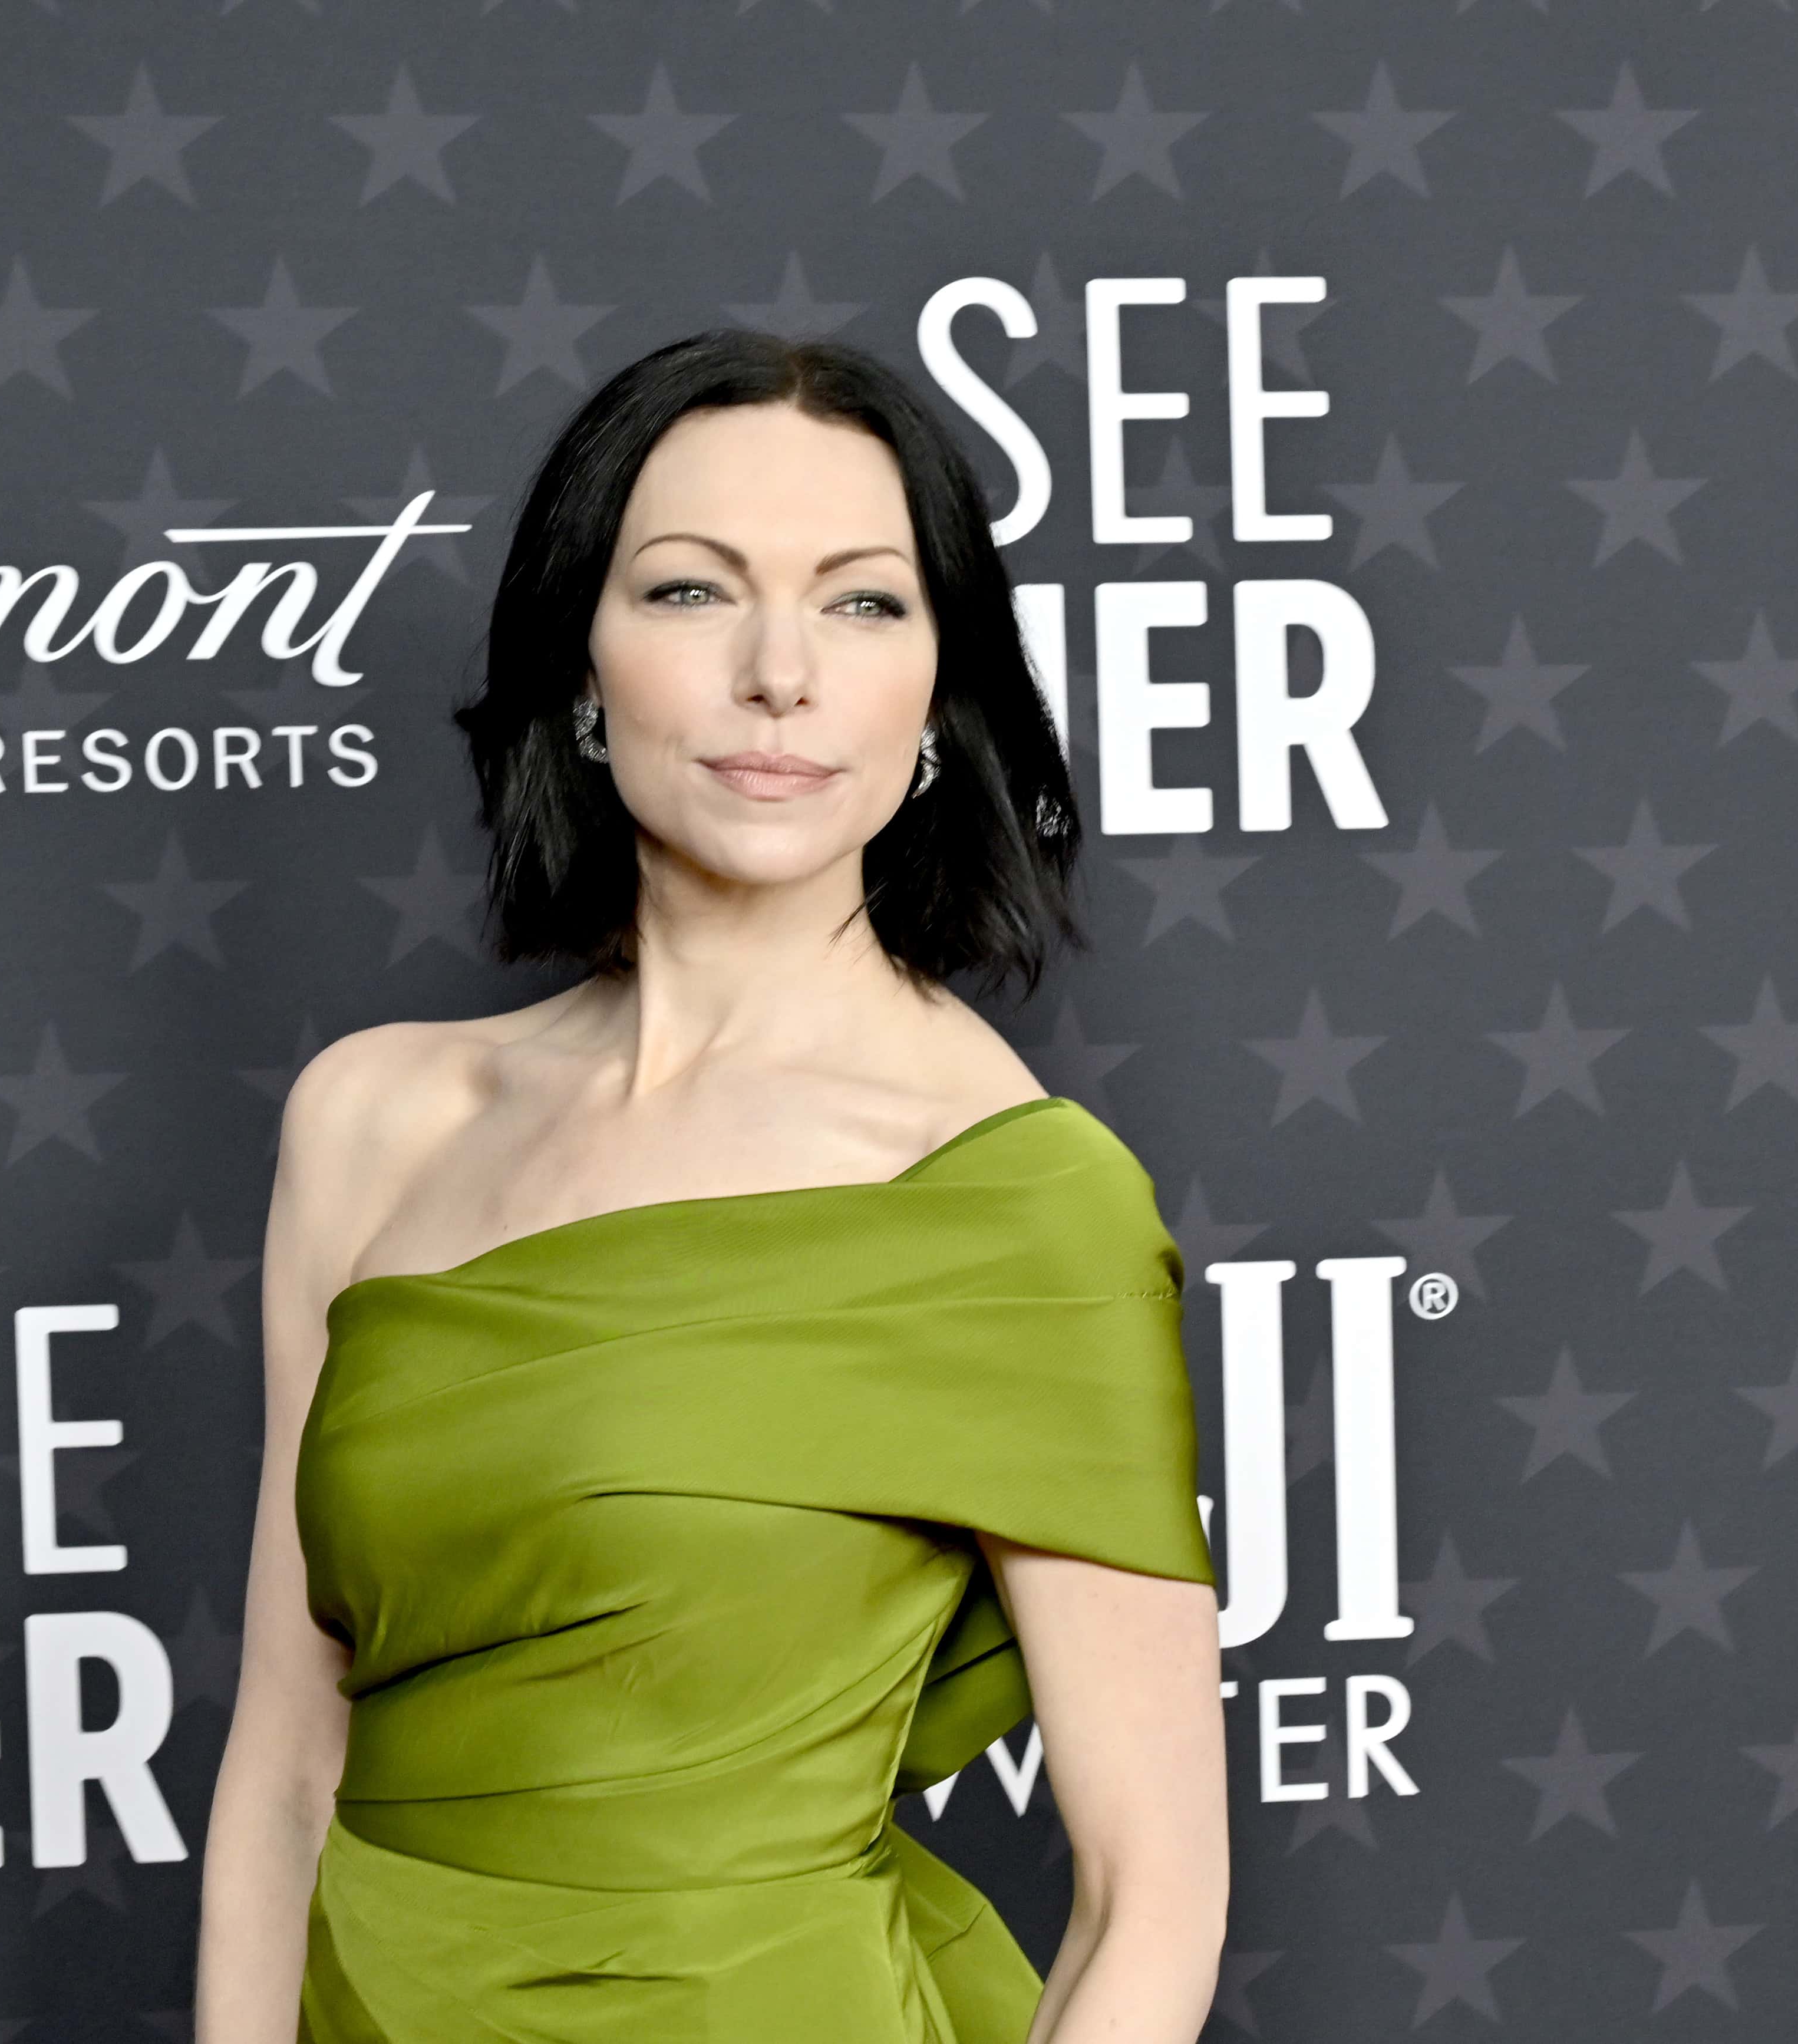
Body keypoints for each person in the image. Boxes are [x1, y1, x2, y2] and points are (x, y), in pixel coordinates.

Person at [192, 329, 1229, 2042]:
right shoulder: (374, 1118)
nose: (778, 672)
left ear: (934, 696)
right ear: (580, 669)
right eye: (689, 591)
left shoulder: (1009, 1198)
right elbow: (290, 1758)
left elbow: (1153, 1892)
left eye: (863, 602)